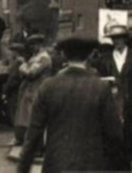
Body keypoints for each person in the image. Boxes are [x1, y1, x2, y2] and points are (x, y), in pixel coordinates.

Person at [18, 36, 128, 173]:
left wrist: (23, 168)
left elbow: (33, 134)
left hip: (56, 164)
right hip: (92, 165)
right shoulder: (101, 87)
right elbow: (114, 133)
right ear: (89, 55)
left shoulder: (48, 86)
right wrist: (119, 167)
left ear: (64, 55)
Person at [15, 33, 52, 149]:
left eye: (33, 45)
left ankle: (38, 148)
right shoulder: (35, 57)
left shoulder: (43, 58)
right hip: (30, 92)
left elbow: (31, 73)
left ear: (39, 45)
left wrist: (22, 65)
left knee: (35, 120)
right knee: (28, 120)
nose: (31, 48)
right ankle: (31, 145)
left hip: (37, 92)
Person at [3, 42, 26, 142]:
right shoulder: (19, 61)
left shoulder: (18, 62)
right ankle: (19, 137)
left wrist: (6, 88)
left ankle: (18, 138)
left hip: (14, 91)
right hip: (16, 90)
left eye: (12, 51)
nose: (10, 53)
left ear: (16, 52)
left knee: (15, 114)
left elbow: (14, 78)